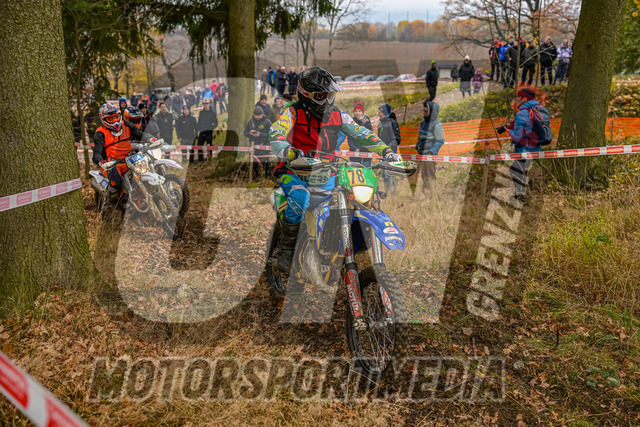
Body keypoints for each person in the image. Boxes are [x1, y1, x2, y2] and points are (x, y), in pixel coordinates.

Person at [269, 67, 401, 272]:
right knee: (300, 198)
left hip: (326, 172)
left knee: (355, 197)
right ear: (307, 94)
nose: (327, 100)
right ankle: (286, 252)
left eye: (329, 95)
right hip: (294, 172)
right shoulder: (293, 112)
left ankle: (344, 245)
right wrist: (288, 151)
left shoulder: (338, 115)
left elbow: (361, 133)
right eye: (321, 95)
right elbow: (276, 132)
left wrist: (386, 151)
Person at [495, 88, 545, 204]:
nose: (517, 100)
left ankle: (521, 197)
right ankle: (523, 194)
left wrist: (509, 132)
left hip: (525, 149)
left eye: (520, 97)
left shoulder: (522, 113)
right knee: (522, 170)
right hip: (536, 148)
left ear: (525, 98)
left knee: (514, 170)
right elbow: (524, 124)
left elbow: (518, 135)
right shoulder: (538, 110)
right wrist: (505, 127)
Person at [92, 103, 156, 192]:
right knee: (116, 184)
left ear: (119, 115)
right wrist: (100, 161)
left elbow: (140, 134)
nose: (114, 120)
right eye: (110, 118)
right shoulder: (100, 133)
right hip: (112, 164)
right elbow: (97, 152)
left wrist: (151, 138)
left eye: (116, 117)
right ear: (103, 119)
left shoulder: (126, 124)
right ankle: (111, 199)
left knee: (144, 171)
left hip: (130, 159)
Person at [414, 100, 444, 193]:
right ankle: (426, 194)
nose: (424, 113)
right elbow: (421, 136)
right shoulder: (423, 122)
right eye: (423, 111)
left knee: (430, 176)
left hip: (429, 154)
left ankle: (432, 195)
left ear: (432, 112)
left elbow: (440, 140)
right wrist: (418, 145)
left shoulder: (437, 124)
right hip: (422, 153)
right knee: (424, 175)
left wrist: (432, 152)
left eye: (426, 111)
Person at [376, 103, 401, 194]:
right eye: (378, 112)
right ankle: (388, 193)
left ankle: (393, 193)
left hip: (390, 152)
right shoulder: (380, 123)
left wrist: (388, 149)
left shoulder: (392, 123)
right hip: (383, 151)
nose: (378, 114)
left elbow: (396, 139)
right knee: (384, 174)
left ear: (385, 113)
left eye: (380, 112)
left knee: (389, 173)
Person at [244, 106, 273, 178]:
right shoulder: (251, 122)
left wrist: (260, 134)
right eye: (255, 115)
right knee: (253, 163)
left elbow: (271, 134)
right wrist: (250, 133)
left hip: (264, 145)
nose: (257, 117)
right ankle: (255, 178)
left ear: (262, 114)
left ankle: (268, 177)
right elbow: (245, 132)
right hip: (253, 145)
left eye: (259, 115)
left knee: (265, 163)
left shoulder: (267, 122)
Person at [347, 102, 373, 167]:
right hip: (354, 153)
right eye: (356, 111)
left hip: (365, 153)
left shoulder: (367, 123)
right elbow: (349, 137)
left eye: (359, 111)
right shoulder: (351, 123)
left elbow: (369, 138)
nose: (357, 113)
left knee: (365, 170)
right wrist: (354, 148)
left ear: (362, 112)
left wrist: (360, 149)